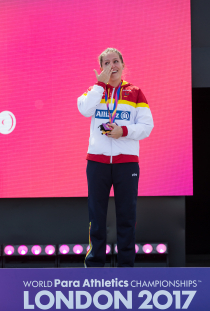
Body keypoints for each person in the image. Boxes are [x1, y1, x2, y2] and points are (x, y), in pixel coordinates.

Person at [77, 48, 154, 267]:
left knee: (127, 217)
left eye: (116, 61)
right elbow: (83, 109)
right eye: (107, 63)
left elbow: (147, 126)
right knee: (97, 218)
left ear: (123, 64)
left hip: (126, 163)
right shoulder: (94, 91)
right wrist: (99, 86)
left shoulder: (135, 92)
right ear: (101, 68)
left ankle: (126, 267)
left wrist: (124, 131)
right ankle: (94, 266)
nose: (112, 66)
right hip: (97, 162)